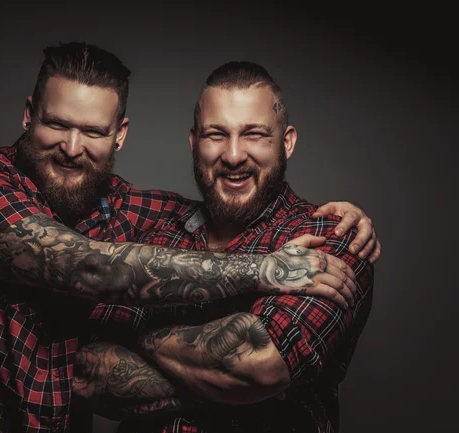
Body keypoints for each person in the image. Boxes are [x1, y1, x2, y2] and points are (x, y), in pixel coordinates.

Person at [0, 43, 377, 433]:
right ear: (28, 117)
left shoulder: (136, 214)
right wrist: (268, 270)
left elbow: (253, 359)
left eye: (92, 131)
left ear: (119, 135)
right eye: (56, 124)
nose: (71, 147)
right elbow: (87, 280)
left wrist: (347, 219)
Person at [73, 61, 375, 433]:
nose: (233, 155)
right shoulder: (157, 231)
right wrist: (229, 390)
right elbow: (87, 368)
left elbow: (258, 366)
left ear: (287, 142)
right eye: (216, 134)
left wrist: (139, 339)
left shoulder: (333, 235)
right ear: (194, 142)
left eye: (254, 134)